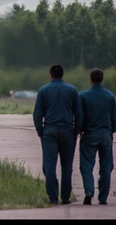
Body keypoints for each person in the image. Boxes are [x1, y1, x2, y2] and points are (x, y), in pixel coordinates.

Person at [33, 64, 83, 205]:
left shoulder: (43, 91)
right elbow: (78, 113)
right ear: (62, 75)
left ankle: (53, 196)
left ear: (50, 75)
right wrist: (77, 130)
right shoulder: (72, 90)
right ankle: (65, 196)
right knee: (67, 165)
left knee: (49, 165)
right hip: (68, 130)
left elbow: (38, 113)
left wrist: (40, 131)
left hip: (49, 130)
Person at [79, 68, 116, 205]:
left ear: (90, 79)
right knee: (106, 166)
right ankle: (103, 197)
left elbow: (80, 116)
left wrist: (79, 130)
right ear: (102, 79)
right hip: (105, 134)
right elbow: (115, 117)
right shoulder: (109, 96)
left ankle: (89, 191)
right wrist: (112, 131)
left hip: (89, 134)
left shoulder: (83, 96)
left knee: (86, 165)